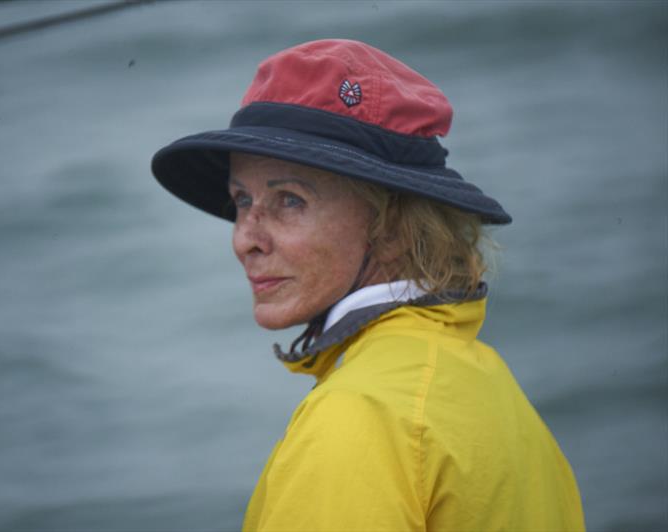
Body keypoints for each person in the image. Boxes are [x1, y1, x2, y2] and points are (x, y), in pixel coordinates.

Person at [151, 39, 584, 531]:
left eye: (289, 201)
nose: (245, 239)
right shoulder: (488, 384)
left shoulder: (356, 418)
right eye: (242, 201)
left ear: (395, 228)